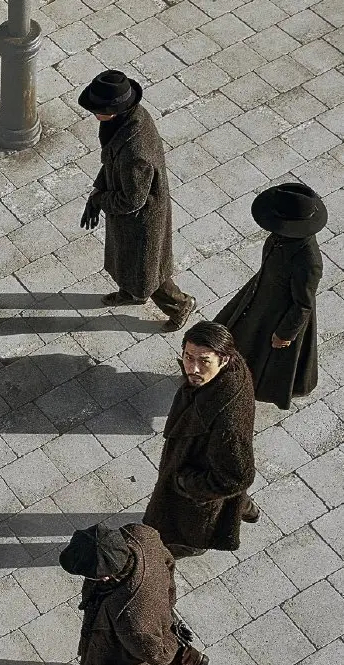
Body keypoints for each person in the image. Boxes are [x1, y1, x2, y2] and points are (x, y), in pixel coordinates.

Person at [78, 70, 195, 332]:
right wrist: (99, 190)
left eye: (98, 109)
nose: (94, 114)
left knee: (148, 271)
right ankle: (131, 293)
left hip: (142, 220)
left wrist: (100, 199)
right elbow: (111, 163)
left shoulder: (135, 151)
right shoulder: (126, 119)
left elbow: (132, 201)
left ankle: (179, 304)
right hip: (128, 216)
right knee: (127, 261)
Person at [59, 522, 208, 665]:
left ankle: (187, 659)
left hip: (127, 643)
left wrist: (167, 637)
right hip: (151, 616)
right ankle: (190, 658)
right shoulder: (140, 534)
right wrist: (164, 604)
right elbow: (168, 561)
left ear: (105, 578)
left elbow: (158, 653)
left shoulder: (130, 618)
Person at [143, 321, 258, 559]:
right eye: (188, 357)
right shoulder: (231, 368)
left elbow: (238, 477)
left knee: (187, 527)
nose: (193, 368)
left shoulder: (228, 423)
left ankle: (192, 546)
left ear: (224, 359)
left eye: (204, 361)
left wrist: (186, 484)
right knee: (230, 500)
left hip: (197, 481)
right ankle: (245, 508)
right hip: (206, 461)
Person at [215, 182, 326, 410]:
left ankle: (239, 388)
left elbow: (303, 305)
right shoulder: (280, 238)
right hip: (259, 297)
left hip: (276, 315)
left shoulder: (308, 261)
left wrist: (284, 334)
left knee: (259, 357)